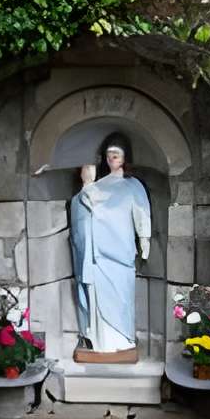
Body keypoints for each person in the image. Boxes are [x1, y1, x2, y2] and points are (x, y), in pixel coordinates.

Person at [68, 133, 152, 362]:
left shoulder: (132, 185)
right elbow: (84, 210)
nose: (112, 158)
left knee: (120, 298)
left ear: (125, 157)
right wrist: (87, 184)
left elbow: (142, 213)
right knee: (97, 300)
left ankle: (122, 342)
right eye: (108, 155)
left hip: (120, 253)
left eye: (116, 154)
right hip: (97, 258)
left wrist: (144, 239)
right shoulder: (97, 186)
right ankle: (100, 343)